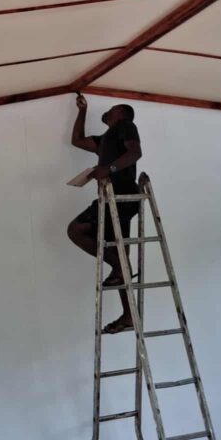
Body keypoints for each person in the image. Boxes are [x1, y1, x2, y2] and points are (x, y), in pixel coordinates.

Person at [67, 94, 143, 334]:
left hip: (120, 197)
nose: (107, 112)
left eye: (111, 109)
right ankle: (129, 314)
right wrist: (82, 110)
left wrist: (107, 169)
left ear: (121, 113)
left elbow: (135, 153)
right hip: (114, 199)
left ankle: (118, 267)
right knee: (119, 256)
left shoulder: (125, 126)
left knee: (75, 230)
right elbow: (77, 141)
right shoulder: (106, 140)